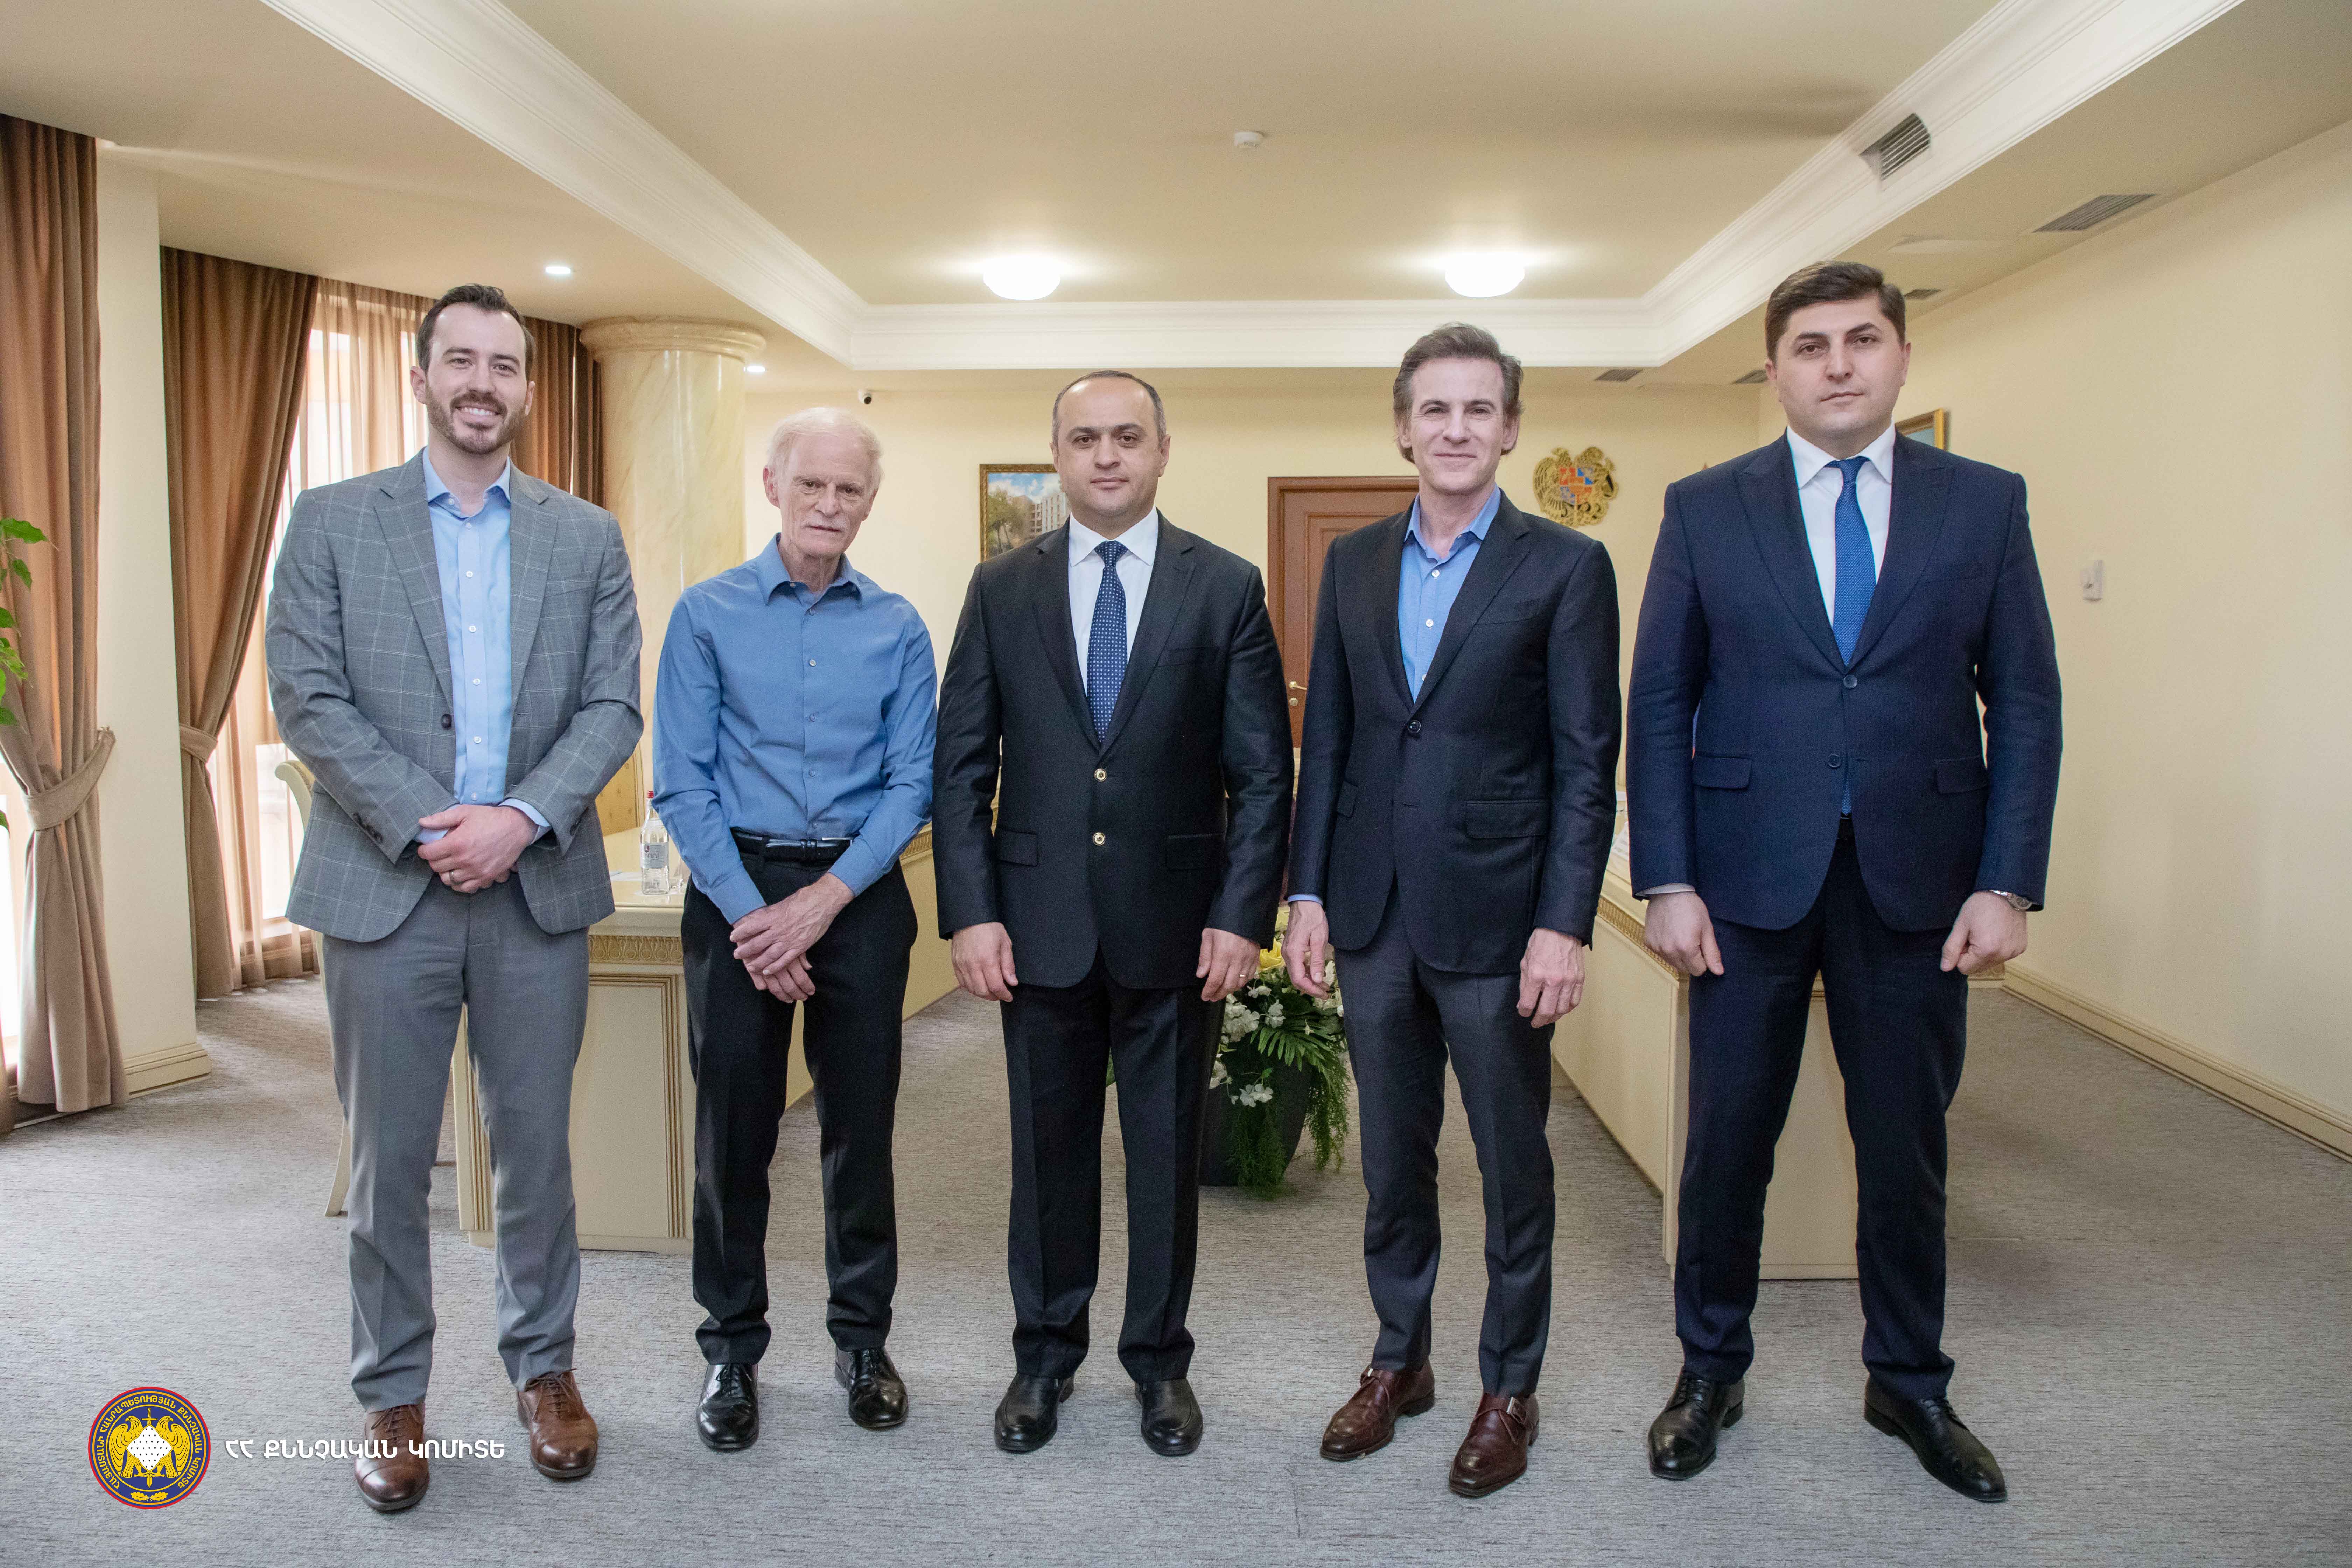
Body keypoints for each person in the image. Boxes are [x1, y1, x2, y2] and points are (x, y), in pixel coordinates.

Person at [1626, 261, 2061, 1502]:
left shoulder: (1985, 504)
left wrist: (2009, 881)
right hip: (1744, 881)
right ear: (1774, 370)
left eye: (1862, 340)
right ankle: (1710, 1370)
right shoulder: (1706, 506)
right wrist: (1667, 876)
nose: (1838, 365)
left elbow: (2025, 700)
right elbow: (1661, 700)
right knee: (1727, 1147)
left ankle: (1909, 1380)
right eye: (1810, 345)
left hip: (1921, 881)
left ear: (1901, 356)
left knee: (1905, 1149)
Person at [266, 283, 642, 1512]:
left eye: (506, 365)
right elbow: (307, 696)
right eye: (462, 361)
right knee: (388, 1160)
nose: (484, 383)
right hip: (388, 885)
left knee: (536, 1150)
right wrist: (441, 825)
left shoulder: (587, 536)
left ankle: (545, 1370)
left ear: (528, 388)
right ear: (420, 376)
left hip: (536, 887)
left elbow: (613, 707)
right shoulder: (332, 519)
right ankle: (393, 1394)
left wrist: (519, 819)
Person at [1283, 323, 1622, 1498]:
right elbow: (1329, 740)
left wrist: (1564, 923)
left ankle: (1509, 1386)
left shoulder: (1566, 568)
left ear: (1512, 429)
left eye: (1481, 409)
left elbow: (1587, 764)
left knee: (1513, 1164)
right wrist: (1307, 890)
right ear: (1403, 428)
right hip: (1373, 915)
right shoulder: (1355, 562)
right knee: (1393, 1162)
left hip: (1501, 921)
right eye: (1436, 408)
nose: (1457, 428)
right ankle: (1400, 1361)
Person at [933, 371, 1292, 1457]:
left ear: (1161, 452)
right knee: (1048, 1158)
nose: (1105, 456)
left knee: (1166, 1158)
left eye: (1127, 437)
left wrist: (1243, 915)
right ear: (1058, 455)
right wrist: (971, 912)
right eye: (1084, 438)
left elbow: (1263, 774)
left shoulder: (1223, 586)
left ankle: (1159, 1363)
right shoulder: (1000, 588)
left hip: (1178, 928)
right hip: (1035, 924)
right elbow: (961, 767)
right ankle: (1044, 1357)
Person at [653, 408, 935, 1451]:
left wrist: (822, 902)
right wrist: (755, 917)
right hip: (736, 890)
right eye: (811, 484)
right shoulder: (706, 614)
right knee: (735, 1133)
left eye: (849, 489)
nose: (829, 504)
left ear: (870, 503)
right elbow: (680, 783)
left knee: (862, 1130)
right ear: (773, 487)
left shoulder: (899, 627)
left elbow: (913, 784)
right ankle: (731, 1348)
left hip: (858, 895)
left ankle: (863, 1342)